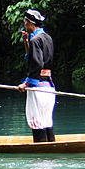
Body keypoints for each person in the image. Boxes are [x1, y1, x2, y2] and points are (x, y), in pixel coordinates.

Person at [18, 9, 56, 142]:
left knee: (36, 122)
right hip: (49, 88)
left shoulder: (36, 40)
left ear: (29, 22)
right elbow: (36, 58)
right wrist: (26, 43)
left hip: (37, 88)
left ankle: (40, 156)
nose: (24, 25)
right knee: (46, 122)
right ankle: (51, 149)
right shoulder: (47, 38)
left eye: (25, 22)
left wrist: (26, 83)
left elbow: (36, 64)